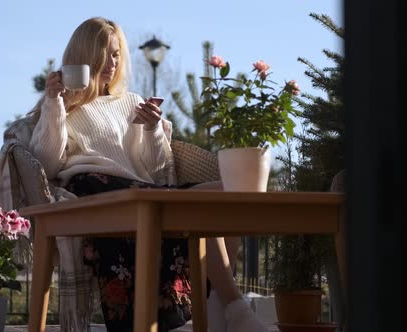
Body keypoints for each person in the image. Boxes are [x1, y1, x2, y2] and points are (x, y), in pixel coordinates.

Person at [28, 17, 267, 332]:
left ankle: (220, 306)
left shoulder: (132, 102)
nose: (111, 63)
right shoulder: (60, 104)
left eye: (116, 54)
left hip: (141, 189)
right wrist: (54, 103)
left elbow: (157, 173)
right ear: (83, 56)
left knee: (228, 192)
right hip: (95, 190)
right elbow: (47, 165)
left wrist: (154, 130)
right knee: (201, 201)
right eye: (104, 54)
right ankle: (236, 311)